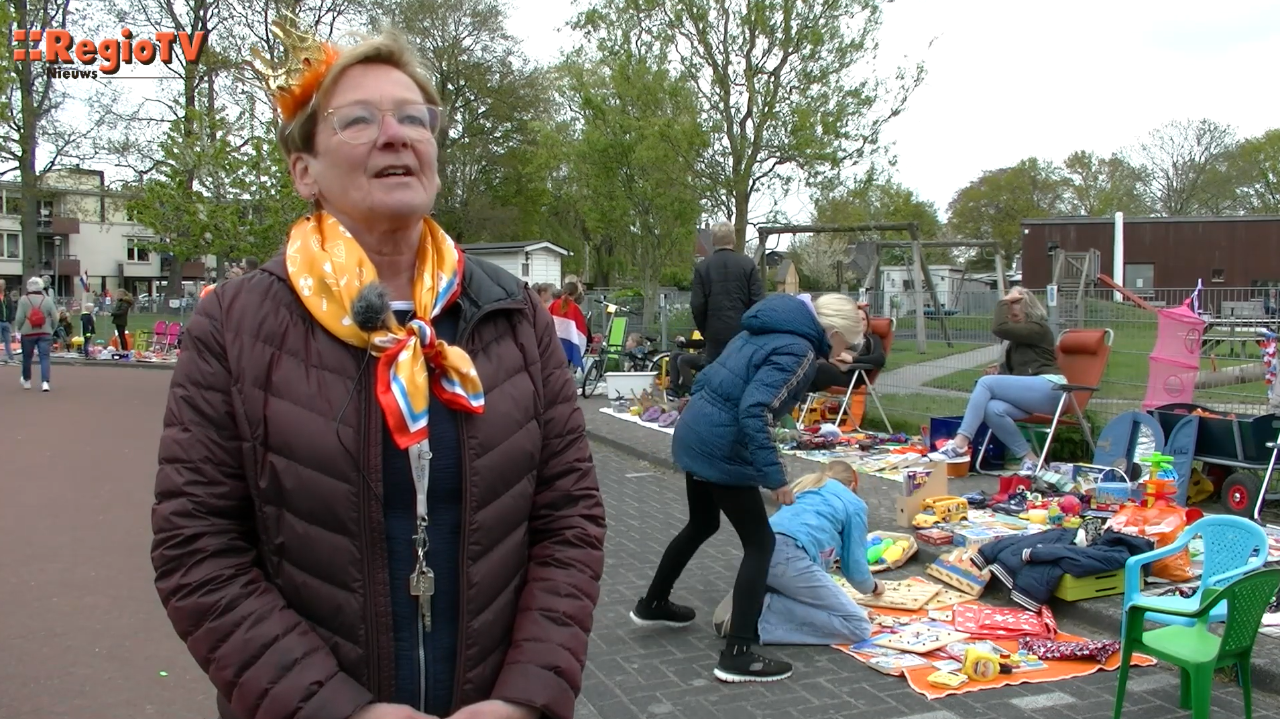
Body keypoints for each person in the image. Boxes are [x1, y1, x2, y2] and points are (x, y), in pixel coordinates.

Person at [150, 27, 606, 719]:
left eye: (414, 117)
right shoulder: (236, 326)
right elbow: (197, 548)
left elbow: (569, 519)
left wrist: (525, 697)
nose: (395, 135)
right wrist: (337, 710)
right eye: (359, 119)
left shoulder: (512, 316)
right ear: (304, 170)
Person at [630, 291, 863, 683]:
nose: (844, 350)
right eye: (846, 343)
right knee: (761, 544)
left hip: (697, 432)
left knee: (702, 524)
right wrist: (775, 477)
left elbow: (776, 374)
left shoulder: (771, 327)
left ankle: (653, 603)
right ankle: (738, 652)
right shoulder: (799, 349)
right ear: (834, 331)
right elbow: (756, 408)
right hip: (723, 445)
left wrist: (831, 365)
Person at [712, 461, 883, 645]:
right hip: (788, 557)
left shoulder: (805, 488)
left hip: (760, 552)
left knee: (810, 599)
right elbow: (855, 569)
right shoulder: (854, 503)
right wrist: (873, 587)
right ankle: (759, 614)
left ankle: (752, 596)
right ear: (853, 486)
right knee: (859, 626)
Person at [930, 286, 1065, 474]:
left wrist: (1003, 301)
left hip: (1052, 389)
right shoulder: (1018, 341)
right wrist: (1000, 369)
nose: (1011, 313)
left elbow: (999, 328)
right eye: (1008, 310)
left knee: (986, 384)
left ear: (1029, 308)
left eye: (1016, 306)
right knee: (992, 409)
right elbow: (1023, 368)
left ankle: (960, 443)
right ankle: (1030, 459)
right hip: (1034, 394)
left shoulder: (1038, 328)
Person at [691, 221, 765, 361]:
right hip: (743, 333)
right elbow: (758, 302)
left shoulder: (703, 267)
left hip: (715, 333)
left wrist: (705, 330)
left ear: (713, 241)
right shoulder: (747, 264)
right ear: (733, 239)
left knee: (714, 375)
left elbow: (697, 304)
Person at [808, 304, 884, 391]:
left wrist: (852, 359)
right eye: (855, 319)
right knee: (808, 364)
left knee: (819, 369)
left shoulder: (872, 339)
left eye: (863, 319)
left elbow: (880, 359)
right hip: (829, 368)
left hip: (851, 377)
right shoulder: (841, 336)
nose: (859, 322)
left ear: (867, 323)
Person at [13, 276, 58, 391]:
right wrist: (51, 329)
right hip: (45, 331)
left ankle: (27, 380)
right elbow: (55, 317)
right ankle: (45, 382)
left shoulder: (24, 299)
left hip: (28, 332)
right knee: (44, 357)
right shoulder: (47, 299)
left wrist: (19, 327)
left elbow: (19, 317)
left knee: (27, 357)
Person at [548, 281, 588, 370]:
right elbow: (582, 330)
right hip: (568, 345)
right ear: (576, 293)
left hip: (554, 344)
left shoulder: (554, 304)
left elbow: (546, 321)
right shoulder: (575, 308)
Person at [0, 281, 14, 364]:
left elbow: (11, 308)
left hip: (6, 321)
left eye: (1, 285)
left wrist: (10, 319)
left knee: (8, 340)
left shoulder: (7, 296)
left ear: (4, 286)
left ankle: (10, 358)